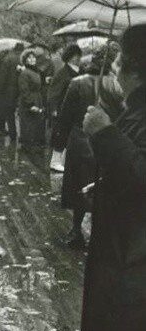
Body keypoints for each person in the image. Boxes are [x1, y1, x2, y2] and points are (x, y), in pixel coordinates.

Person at [80, 23, 146, 331]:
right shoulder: (136, 107)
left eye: (121, 60)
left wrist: (103, 133)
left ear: (137, 69)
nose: (116, 69)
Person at [51, 45, 123, 250]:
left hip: (80, 140)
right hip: (108, 142)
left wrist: (59, 145)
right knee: (103, 186)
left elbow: (65, 117)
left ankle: (76, 231)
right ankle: (102, 233)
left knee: (77, 187)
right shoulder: (117, 86)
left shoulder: (76, 83)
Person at [48, 44, 82, 172]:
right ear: (70, 57)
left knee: (69, 134)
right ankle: (55, 161)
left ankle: (63, 161)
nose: (78, 58)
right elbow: (54, 93)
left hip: (74, 108)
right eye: (75, 55)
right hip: (63, 108)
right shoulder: (63, 73)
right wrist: (54, 109)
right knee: (61, 134)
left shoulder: (78, 71)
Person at [0, 43, 24, 144]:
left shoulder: (8, 59)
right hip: (19, 89)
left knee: (9, 114)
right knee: (20, 113)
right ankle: (21, 134)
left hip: (8, 91)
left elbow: (3, 78)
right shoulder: (21, 59)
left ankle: (13, 134)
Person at [18, 48, 46, 150]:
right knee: (29, 124)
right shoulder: (25, 73)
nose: (32, 59)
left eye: (33, 57)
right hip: (29, 101)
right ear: (25, 60)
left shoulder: (35, 71)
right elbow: (24, 90)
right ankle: (28, 147)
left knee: (37, 123)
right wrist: (30, 104)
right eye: (29, 58)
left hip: (37, 99)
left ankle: (35, 145)